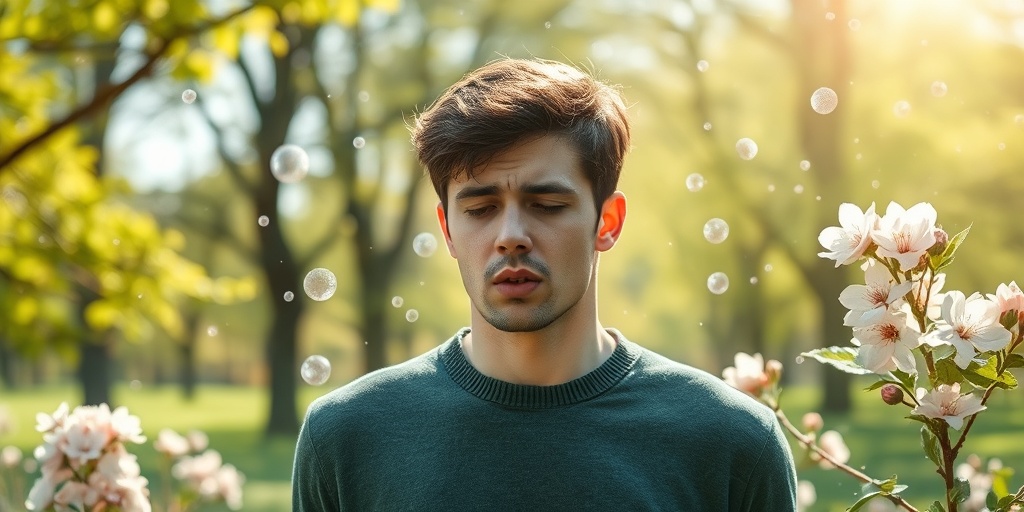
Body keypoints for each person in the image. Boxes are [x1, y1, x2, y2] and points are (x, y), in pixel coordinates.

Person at [292, 57, 797, 511]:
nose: (510, 237)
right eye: (480, 209)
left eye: (547, 205)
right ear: (447, 229)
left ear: (607, 222)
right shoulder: (345, 438)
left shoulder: (733, 443)